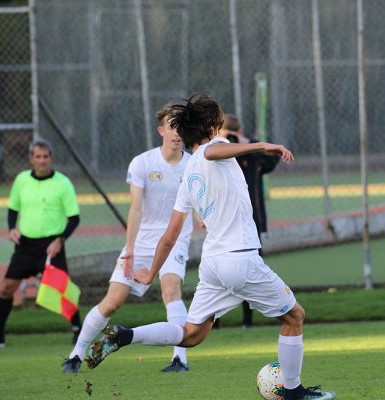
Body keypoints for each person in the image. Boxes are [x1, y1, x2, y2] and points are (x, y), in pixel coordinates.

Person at [86, 94, 335, 400]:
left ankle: (127, 335)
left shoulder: (188, 174)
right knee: (294, 316)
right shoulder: (214, 149)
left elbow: (169, 236)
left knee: (191, 334)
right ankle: (293, 391)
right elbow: (214, 151)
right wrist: (261, 145)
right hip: (239, 259)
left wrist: (150, 273)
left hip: (214, 265)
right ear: (212, 125)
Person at [62, 104, 194, 373]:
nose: (177, 132)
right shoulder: (142, 163)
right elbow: (135, 209)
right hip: (142, 243)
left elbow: (199, 199)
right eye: (172, 126)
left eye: (181, 127)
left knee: (170, 290)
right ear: (161, 130)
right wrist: (130, 250)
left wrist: (203, 218)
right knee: (112, 302)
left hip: (175, 240)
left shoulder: (193, 164)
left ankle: (180, 359)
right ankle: (76, 353)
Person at [0, 139, 81, 349]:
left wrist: (60, 240)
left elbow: (74, 218)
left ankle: (79, 332)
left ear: (51, 158)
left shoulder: (63, 183)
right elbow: (13, 208)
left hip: (51, 246)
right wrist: (11, 228)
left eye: (45, 157)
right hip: (25, 246)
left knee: (63, 289)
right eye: (38, 157)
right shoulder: (21, 180)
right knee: (6, 287)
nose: (42, 161)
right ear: (31, 159)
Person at [213, 114, 280, 328]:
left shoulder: (252, 156)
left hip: (250, 222)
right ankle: (214, 321)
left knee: (250, 270)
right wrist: (224, 141)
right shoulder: (215, 154)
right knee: (219, 271)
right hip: (223, 221)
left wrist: (247, 143)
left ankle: (247, 321)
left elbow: (273, 160)